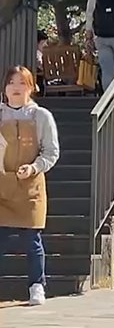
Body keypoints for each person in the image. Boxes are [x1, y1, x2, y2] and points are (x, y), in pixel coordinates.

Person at [0, 66, 60, 306]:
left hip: (30, 187)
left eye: (22, 83)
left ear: (31, 88)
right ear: (4, 88)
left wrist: (34, 167)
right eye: (11, 82)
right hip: (2, 187)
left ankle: (37, 285)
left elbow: (51, 152)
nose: (16, 88)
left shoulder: (41, 116)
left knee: (32, 240)